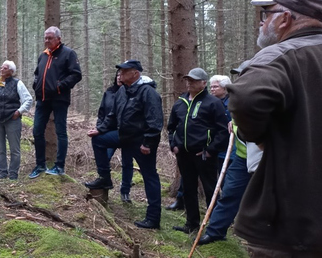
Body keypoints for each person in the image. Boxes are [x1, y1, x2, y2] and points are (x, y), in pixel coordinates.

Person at [227, 0, 322, 256]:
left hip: (292, 222)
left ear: (285, 19)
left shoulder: (280, 55)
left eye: (265, 13)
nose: (261, 22)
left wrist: (257, 135)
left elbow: (246, 97)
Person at [86, 60, 163, 229]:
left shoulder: (148, 92)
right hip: (124, 136)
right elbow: (113, 115)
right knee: (98, 140)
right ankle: (105, 178)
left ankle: (153, 218)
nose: (120, 74)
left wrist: (148, 142)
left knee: (149, 176)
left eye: (124, 71)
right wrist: (100, 129)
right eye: (120, 71)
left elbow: (155, 121)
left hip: (142, 141)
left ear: (135, 73)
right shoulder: (122, 90)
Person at [166, 67, 229, 234]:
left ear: (203, 83)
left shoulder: (213, 103)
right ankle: (191, 224)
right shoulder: (180, 102)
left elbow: (223, 131)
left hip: (204, 155)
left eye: (193, 80)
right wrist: (173, 144)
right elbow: (171, 127)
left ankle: (213, 227)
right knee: (188, 188)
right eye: (188, 80)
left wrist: (210, 150)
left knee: (210, 189)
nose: (189, 83)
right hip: (184, 155)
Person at [197, 65, 253, 246]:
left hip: (266, 158)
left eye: (244, 74)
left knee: (264, 197)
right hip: (243, 157)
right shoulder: (239, 96)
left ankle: (260, 237)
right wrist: (234, 125)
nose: (241, 78)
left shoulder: (264, 93)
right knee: (229, 192)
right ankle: (215, 231)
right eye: (239, 75)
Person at [28, 26, 82, 178]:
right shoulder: (43, 55)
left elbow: (76, 74)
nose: (47, 40)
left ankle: (59, 166)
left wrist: (60, 86)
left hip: (59, 98)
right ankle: (40, 165)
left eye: (50, 38)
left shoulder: (68, 54)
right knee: (37, 131)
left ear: (59, 39)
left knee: (60, 132)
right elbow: (37, 74)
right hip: (42, 99)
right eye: (45, 38)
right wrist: (36, 85)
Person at [0, 60, 34, 180]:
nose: (1, 69)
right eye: (1, 67)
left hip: (12, 120)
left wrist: (19, 112)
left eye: (5, 68)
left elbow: (28, 99)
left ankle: (13, 174)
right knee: (0, 149)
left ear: (11, 71)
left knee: (15, 149)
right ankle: (2, 173)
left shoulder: (17, 83)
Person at [94, 69, 132, 202]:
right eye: (116, 75)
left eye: (121, 75)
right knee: (106, 156)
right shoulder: (109, 92)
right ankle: (104, 182)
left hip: (126, 133)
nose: (118, 78)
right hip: (108, 132)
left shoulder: (131, 93)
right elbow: (102, 112)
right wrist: (100, 127)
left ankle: (125, 191)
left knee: (127, 162)